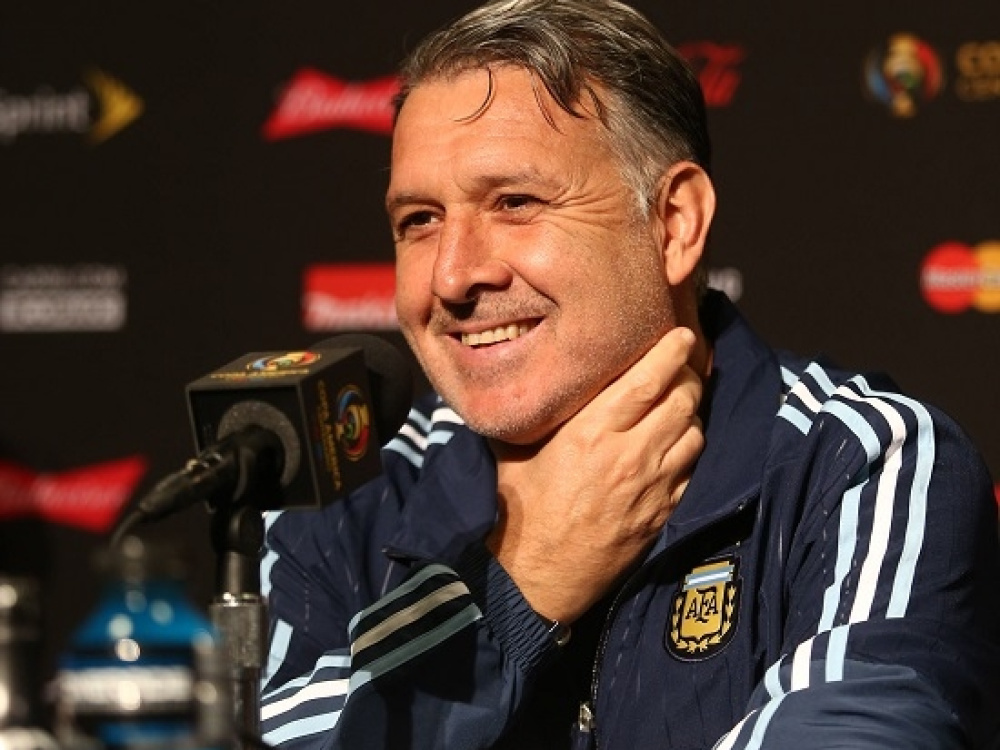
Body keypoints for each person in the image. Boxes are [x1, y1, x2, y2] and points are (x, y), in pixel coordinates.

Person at [258, 1, 1000, 747]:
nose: (452, 275)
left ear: (674, 222)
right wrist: (524, 581)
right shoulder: (349, 499)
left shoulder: (861, 463)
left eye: (515, 202)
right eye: (420, 219)